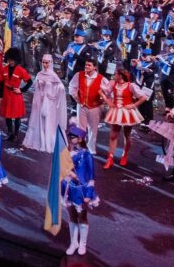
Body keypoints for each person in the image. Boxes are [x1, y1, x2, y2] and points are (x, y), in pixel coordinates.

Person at [62, 124, 98, 257]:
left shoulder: (87, 155)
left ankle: (82, 243)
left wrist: (88, 194)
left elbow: (92, 177)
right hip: (68, 188)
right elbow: (61, 168)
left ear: (80, 139)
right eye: (69, 137)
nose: (70, 139)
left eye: (72, 137)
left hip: (82, 191)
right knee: (71, 216)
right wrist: (68, 173)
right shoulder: (66, 152)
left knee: (82, 216)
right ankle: (73, 242)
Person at [102, 68, 149, 169]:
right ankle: (110, 158)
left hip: (127, 112)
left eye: (116, 74)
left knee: (126, 135)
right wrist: (108, 101)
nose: (114, 76)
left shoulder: (130, 85)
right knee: (113, 135)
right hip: (115, 111)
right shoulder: (113, 84)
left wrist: (133, 105)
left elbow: (144, 97)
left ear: (120, 75)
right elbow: (101, 91)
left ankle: (125, 154)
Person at [24, 54, 68, 152]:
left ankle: (48, 141)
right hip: (40, 101)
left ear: (51, 63)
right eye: (43, 62)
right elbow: (36, 87)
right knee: (39, 119)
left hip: (49, 103)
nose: (45, 64)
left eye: (47, 62)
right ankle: (40, 140)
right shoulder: (39, 74)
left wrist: (51, 95)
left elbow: (61, 88)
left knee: (48, 121)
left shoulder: (53, 75)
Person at [68, 57, 109, 154]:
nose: (86, 67)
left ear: (94, 67)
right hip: (81, 105)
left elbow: (109, 91)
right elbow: (71, 87)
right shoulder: (79, 75)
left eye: (89, 65)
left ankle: (91, 148)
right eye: (86, 65)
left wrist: (103, 99)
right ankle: (81, 146)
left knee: (93, 128)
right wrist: (76, 98)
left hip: (95, 107)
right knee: (81, 127)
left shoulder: (101, 79)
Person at [0, 47, 31, 141]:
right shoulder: (4, 69)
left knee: (17, 116)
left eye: (12, 60)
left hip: (16, 96)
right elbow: (1, 83)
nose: (11, 62)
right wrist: (0, 96)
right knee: (7, 116)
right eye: (9, 60)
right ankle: (10, 133)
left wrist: (21, 90)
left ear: (16, 60)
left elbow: (29, 82)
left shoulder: (21, 70)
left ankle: (16, 134)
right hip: (6, 95)